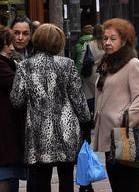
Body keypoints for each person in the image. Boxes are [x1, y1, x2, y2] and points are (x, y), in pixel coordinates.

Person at [10, 23, 91, 192]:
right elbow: (78, 99)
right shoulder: (67, 64)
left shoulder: (25, 66)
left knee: (40, 176)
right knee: (66, 175)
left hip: (38, 130)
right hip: (66, 128)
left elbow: (17, 100)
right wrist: (86, 120)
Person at [93, 18, 139, 192]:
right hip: (110, 134)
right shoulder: (107, 63)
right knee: (117, 183)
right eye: (105, 38)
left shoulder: (132, 64)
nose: (107, 43)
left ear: (124, 41)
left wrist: (126, 118)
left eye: (113, 39)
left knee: (127, 184)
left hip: (125, 135)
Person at [0, 25, 26, 192]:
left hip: (6, 126)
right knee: (5, 173)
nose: (11, 48)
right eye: (7, 44)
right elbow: (18, 85)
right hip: (3, 128)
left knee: (10, 172)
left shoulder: (0, 62)